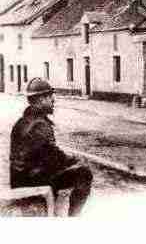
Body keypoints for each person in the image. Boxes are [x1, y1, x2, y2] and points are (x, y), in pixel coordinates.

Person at [9, 77, 93, 216]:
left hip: (20, 178)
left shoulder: (22, 121)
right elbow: (54, 157)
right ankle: (74, 217)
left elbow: (44, 155)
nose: (53, 100)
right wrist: (75, 160)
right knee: (84, 173)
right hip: (31, 181)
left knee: (55, 171)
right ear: (40, 100)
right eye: (49, 97)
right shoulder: (40, 125)